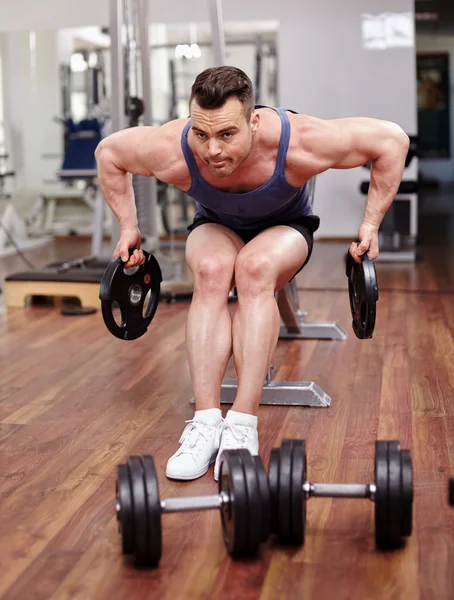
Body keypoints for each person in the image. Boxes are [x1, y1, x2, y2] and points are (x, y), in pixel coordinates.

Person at [95, 66, 410, 482]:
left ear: (254, 120)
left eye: (227, 134)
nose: (212, 151)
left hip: (286, 229)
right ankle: (206, 423)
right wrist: (129, 228)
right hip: (216, 225)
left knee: (254, 269)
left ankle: (242, 425)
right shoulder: (173, 149)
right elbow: (109, 154)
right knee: (210, 271)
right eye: (201, 134)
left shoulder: (301, 142)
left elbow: (392, 140)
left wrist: (370, 225)